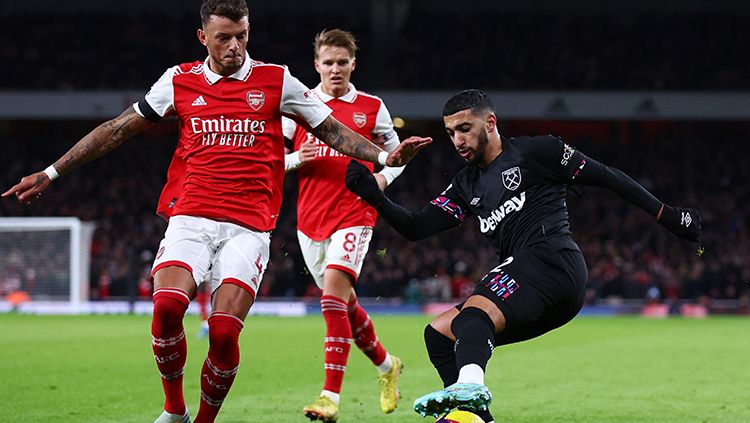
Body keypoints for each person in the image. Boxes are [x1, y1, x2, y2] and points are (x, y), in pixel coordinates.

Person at [1, 1, 430, 422]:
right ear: (202, 37)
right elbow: (116, 130)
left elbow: (332, 131)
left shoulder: (277, 80)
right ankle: (175, 408)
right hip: (191, 216)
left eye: (241, 36)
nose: (234, 46)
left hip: (249, 226)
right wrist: (52, 172)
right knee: (167, 305)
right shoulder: (179, 80)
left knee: (224, 331)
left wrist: (386, 159)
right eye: (224, 37)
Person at [345, 89, 701, 422]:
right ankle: (472, 417)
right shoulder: (466, 185)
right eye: (451, 132)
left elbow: (606, 176)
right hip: (535, 286)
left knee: (474, 313)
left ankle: (470, 393)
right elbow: (416, 227)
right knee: (440, 335)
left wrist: (665, 213)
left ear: (490, 123)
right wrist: (372, 195)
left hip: (554, 261)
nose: (458, 141)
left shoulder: (537, 152)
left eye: (465, 129)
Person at [282, 29, 405, 422]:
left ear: (354, 64)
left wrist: (381, 182)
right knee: (345, 306)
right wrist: (295, 160)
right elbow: (270, 157)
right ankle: (387, 366)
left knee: (332, 298)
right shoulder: (298, 105)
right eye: (328, 63)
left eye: (342, 62)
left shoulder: (372, 107)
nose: (335, 69)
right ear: (316, 65)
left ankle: (329, 397)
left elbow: (395, 154)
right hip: (310, 219)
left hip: (356, 213)